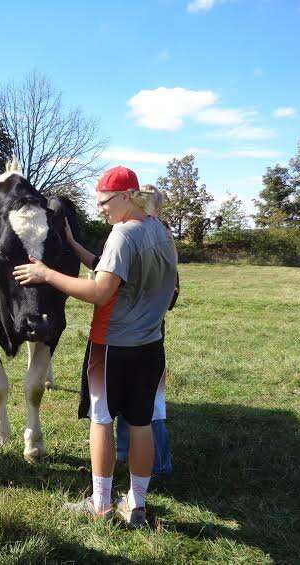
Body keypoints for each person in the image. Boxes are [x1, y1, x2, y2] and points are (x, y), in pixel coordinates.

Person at [13, 165, 177, 527]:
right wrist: (73, 246)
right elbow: (123, 274)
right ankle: (137, 504)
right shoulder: (161, 232)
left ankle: (101, 503)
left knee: (101, 421)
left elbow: (101, 291)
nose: (100, 208)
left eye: (104, 201)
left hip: (112, 345)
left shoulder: (122, 234)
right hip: (151, 345)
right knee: (141, 422)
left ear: (124, 197)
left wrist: (47, 274)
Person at [114, 185, 177, 473]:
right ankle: (126, 454)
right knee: (137, 399)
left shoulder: (155, 234)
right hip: (142, 329)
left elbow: (172, 290)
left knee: (151, 404)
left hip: (143, 331)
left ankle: (159, 463)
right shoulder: (154, 233)